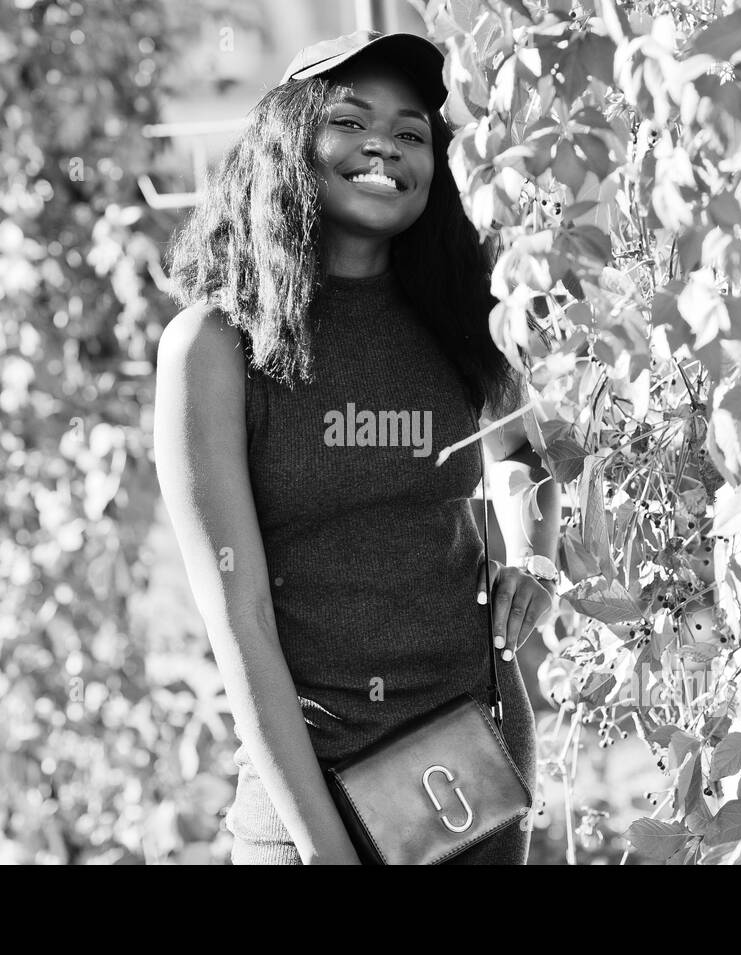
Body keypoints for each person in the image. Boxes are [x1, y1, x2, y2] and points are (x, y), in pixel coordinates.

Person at [155, 30, 560, 865]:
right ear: (290, 141)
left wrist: (538, 560)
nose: (385, 145)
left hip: (470, 765)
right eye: (351, 120)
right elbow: (240, 618)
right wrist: (324, 847)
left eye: (412, 133)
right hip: (305, 780)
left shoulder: (464, 318)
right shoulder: (215, 346)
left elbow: (526, 449)